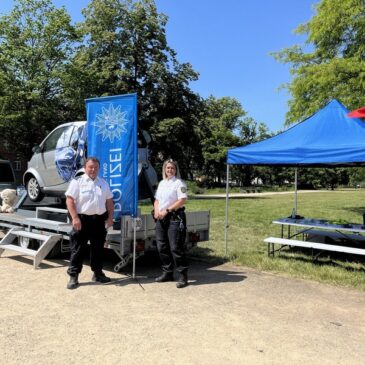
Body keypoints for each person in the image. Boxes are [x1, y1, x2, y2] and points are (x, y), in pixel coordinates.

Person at [65, 157, 114, 289]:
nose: (93, 169)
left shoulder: (103, 183)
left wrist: (110, 218)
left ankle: (98, 273)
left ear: (99, 168)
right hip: (82, 220)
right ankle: (73, 276)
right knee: (78, 249)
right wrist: (74, 218)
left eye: (96, 167)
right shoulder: (77, 182)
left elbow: (109, 201)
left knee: (98, 249)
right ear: (85, 168)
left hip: (99, 220)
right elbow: (69, 200)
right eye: (90, 167)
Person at [154, 159, 188, 288]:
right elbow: (157, 200)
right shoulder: (162, 183)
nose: (170, 170)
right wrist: (157, 210)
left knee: (176, 248)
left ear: (176, 170)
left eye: (172, 168)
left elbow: (182, 200)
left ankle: (183, 276)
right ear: (164, 170)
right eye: (168, 168)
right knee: (161, 246)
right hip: (161, 218)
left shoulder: (179, 183)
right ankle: (167, 273)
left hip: (174, 217)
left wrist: (167, 210)